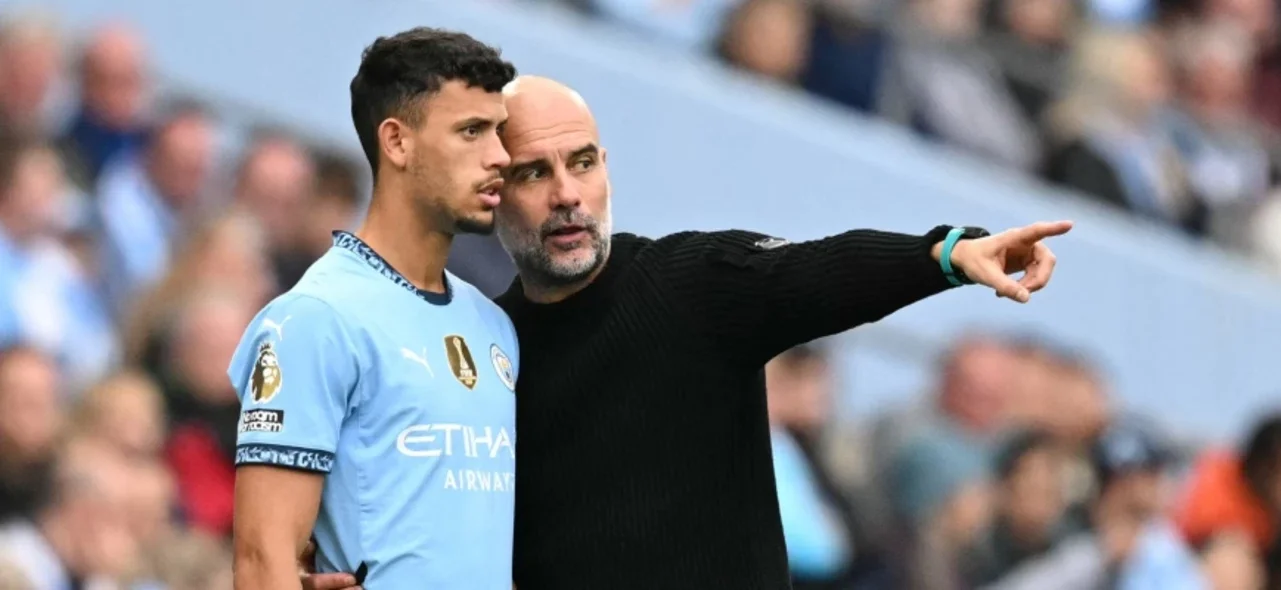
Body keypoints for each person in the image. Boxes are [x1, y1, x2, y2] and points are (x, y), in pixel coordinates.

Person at [308, 74, 1069, 590]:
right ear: (492, 193)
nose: (569, 195)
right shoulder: (480, 355)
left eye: (581, 163)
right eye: (535, 174)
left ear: (606, 166)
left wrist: (945, 253)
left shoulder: (693, 284)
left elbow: (817, 270)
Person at [230, 28, 519, 589]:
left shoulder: (495, 326)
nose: (500, 157)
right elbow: (264, 560)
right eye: (472, 132)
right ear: (397, 142)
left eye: (500, 132)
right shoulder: (315, 317)